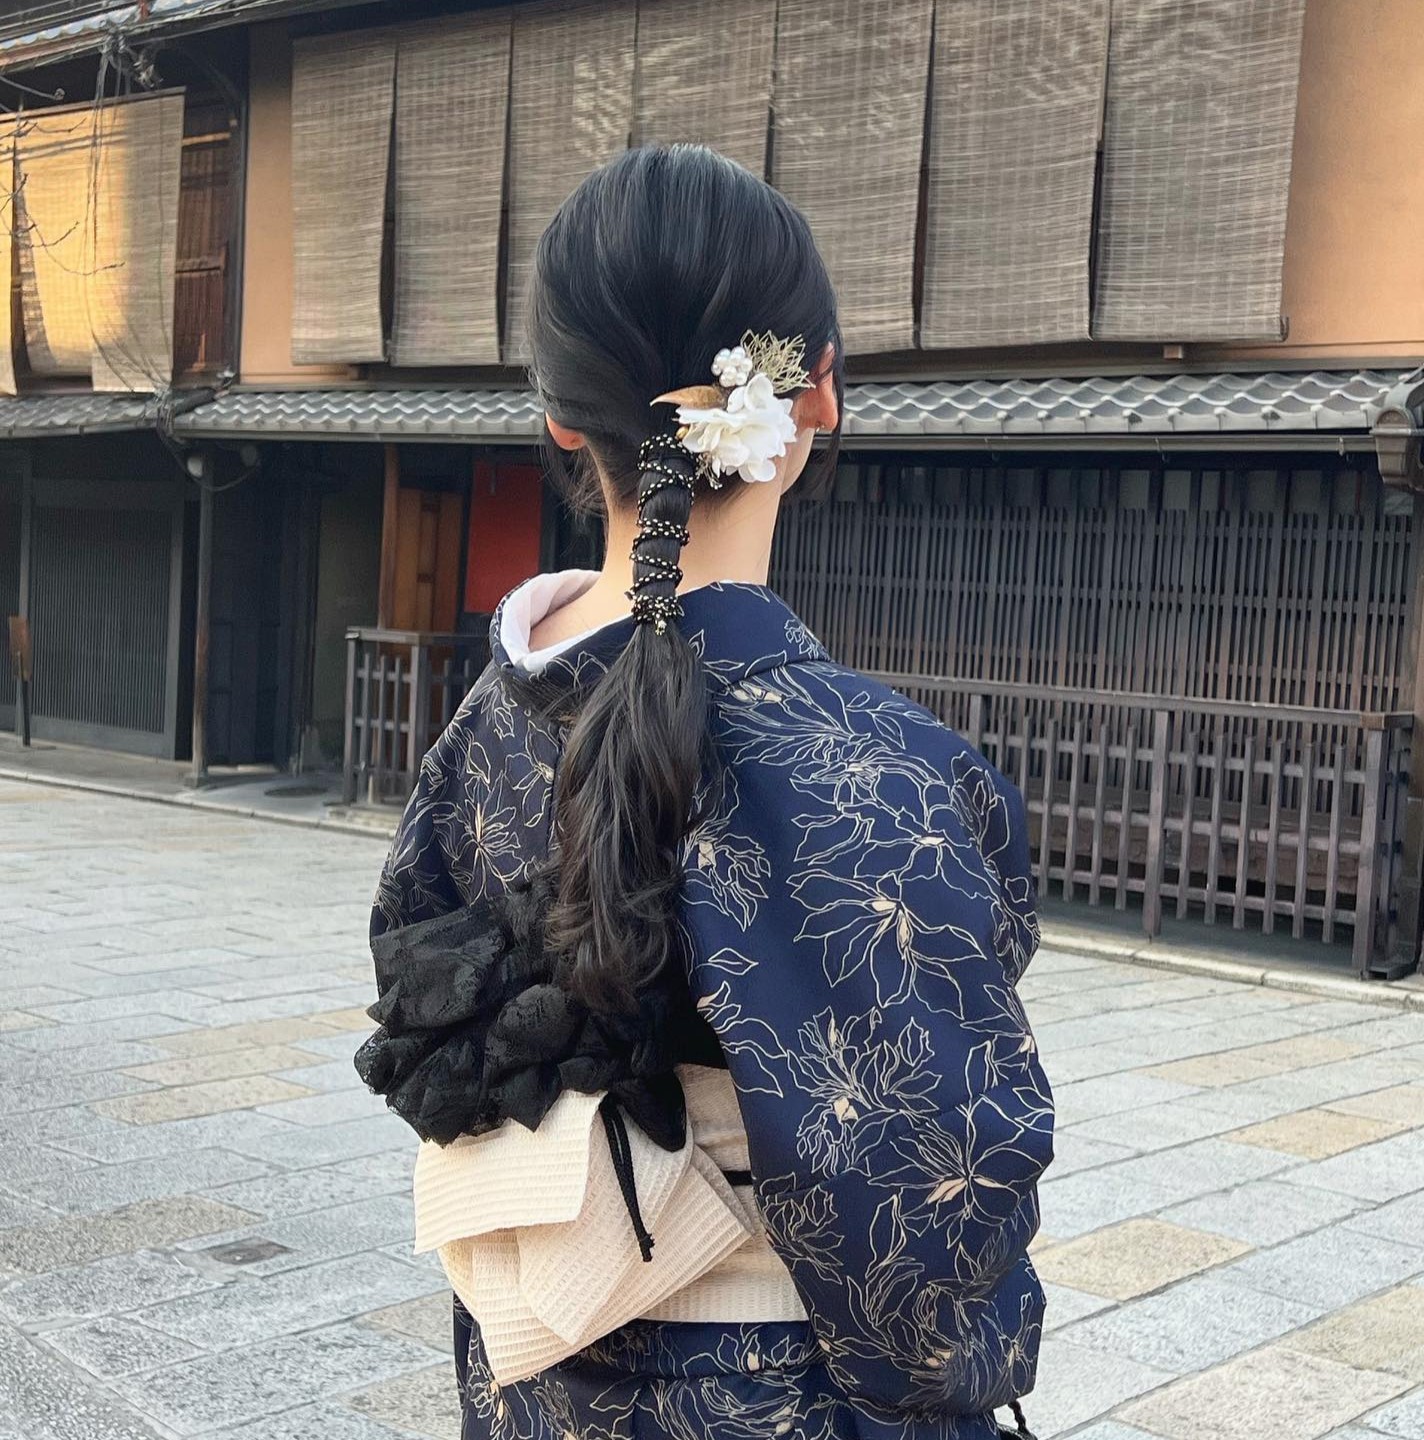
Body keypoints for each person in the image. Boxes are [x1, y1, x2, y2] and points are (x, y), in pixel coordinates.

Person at [356, 144, 1052, 1440]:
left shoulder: (481, 726)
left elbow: (426, 1021)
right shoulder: (878, 769)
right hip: (780, 1394)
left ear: (563, 420)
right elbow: (930, 1211)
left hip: (539, 1365)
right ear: (817, 393)